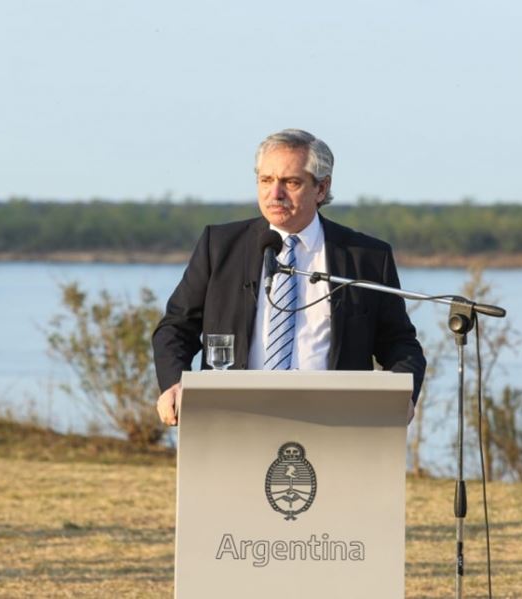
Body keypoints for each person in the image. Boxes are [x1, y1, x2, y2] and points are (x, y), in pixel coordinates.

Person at [153, 129, 426, 425]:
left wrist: (402, 395)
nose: (275, 194)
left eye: (291, 182)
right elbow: (176, 328)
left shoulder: (366, 258)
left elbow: (400, 344)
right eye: (266, 180)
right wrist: (174, 385)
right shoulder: (219, 246)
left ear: (321, 188)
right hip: (235, 418)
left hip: (334, 424)